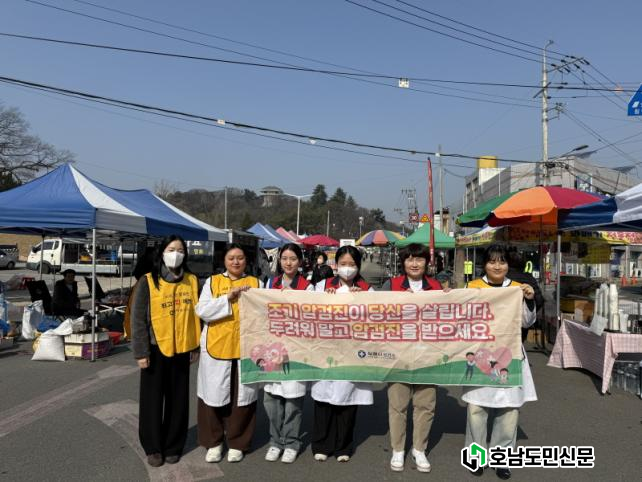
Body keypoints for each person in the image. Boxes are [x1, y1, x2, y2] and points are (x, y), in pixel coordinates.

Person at [463, 244, 536, 480]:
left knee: (509, 410)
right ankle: (476, 456)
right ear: (484, 264)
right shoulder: (472, 287)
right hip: (481, 355)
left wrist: (529, 300)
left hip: (510, 355)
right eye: (492, 261)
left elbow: (526, 322)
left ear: (508, 265)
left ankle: (501, 458)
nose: (497, 266)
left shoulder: (516, 289)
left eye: (502, 261)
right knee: (476, 408)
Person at [130, 235, 201, 467]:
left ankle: (173, 445)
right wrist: (141, 352)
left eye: (180, 250)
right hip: (154, 348)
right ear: (162, 253)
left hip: (182, 348)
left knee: (178, 400)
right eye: (171, 249)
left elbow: (197, 315)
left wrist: (195, 346)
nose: (175, 254)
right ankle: (153, 447)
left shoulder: (192, 280)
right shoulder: (148, 281)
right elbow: (137, 319)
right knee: (151, 400)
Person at [195, 244, 261, 464]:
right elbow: (202, 310)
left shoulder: (256, 283)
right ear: (224, 260)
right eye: (231, 258)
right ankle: (214, 442)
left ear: (246, 261)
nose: (236, 262)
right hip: (217, 346)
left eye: (240, 258)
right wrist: (226, 299)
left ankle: (237, 442)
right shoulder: (212, 282)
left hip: (245, 348)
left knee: (242, 399)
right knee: (212, 396)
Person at [381, 243, 443, 473]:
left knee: (425, 405)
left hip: (427, 354)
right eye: (409, 259)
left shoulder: (436, 287)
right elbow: (374, 313)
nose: (414, 264)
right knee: (398, 405)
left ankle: (419, 449)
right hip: (398, 354)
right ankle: (398, 449)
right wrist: (396, 302)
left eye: (419, 259)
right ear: (403, 262)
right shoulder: (391, 285)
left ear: (427, 262)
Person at [311, 245, 374, 463]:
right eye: (343, 264)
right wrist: (324, 299)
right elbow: (307, 311)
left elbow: (376, 319)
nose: (347, 268)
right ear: (336, 265)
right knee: (324, 399)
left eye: (352, 264)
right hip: (326, 350)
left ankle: (343, 446)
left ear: (358, 266)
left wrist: (362, 300)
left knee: (348, 400)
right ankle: (321, 444)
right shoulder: (322, 286)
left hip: (352, 352)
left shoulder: (367, 290)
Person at [263, 243, 314, 464]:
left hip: (295, 350)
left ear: (300, 262)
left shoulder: (307, 287)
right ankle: (275, 441)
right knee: (272, 400)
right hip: (273, 348)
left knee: (293, 400)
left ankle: (292, 442)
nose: (288, 262)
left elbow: (311, 318)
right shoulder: (270, 283)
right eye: (284, 258)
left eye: (293, 259)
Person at [506, 248, 544, 343]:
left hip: (503, 321)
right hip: (522, 322)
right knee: (518, 346)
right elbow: (539, 300)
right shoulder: (529, 278)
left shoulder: (501, 279)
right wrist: (529, 310)